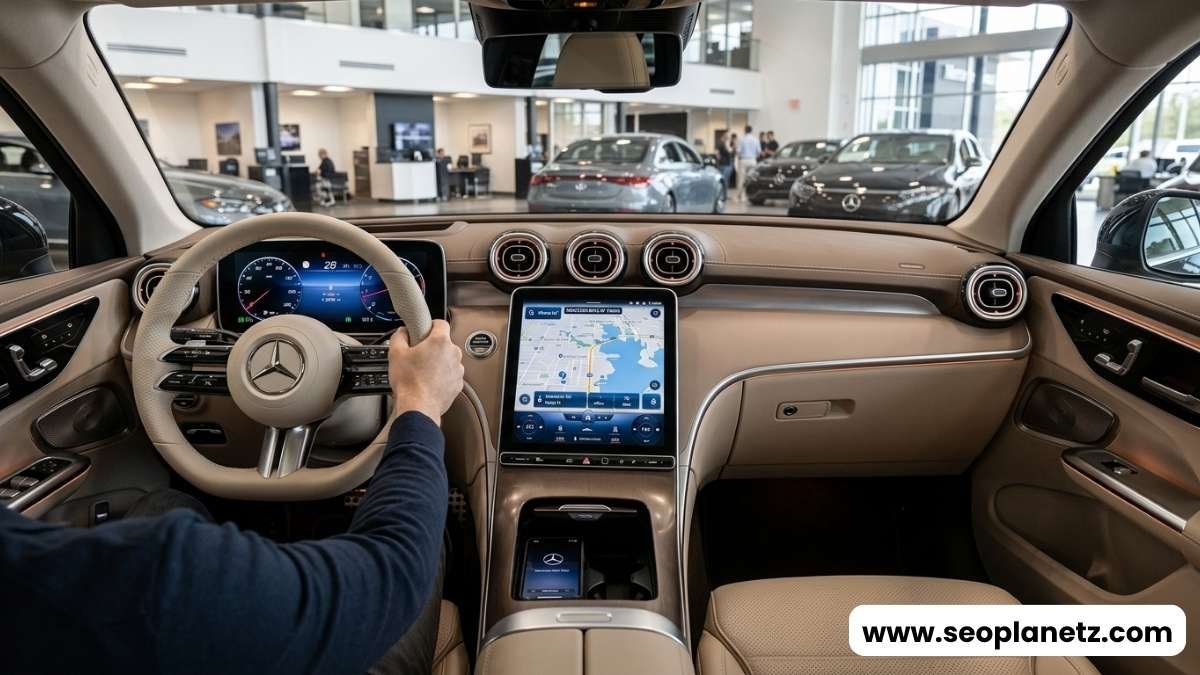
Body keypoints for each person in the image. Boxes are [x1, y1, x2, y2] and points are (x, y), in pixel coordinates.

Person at [0, 320, 466, 675]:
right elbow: (395, 568)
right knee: (431, 529)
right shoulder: (161, 580)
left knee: (164, 504)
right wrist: (420, 400)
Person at [736, 125, 761, 202]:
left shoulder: (741, 139)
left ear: (745, 130)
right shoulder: (755, 140)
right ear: (751, 131)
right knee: (751, 178)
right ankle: (750, 195)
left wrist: (740, 156)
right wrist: (754, 157)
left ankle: (740, 195)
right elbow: (759, 152)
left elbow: (738, 151)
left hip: (743, 160)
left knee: (741, 178)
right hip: (753, 160)